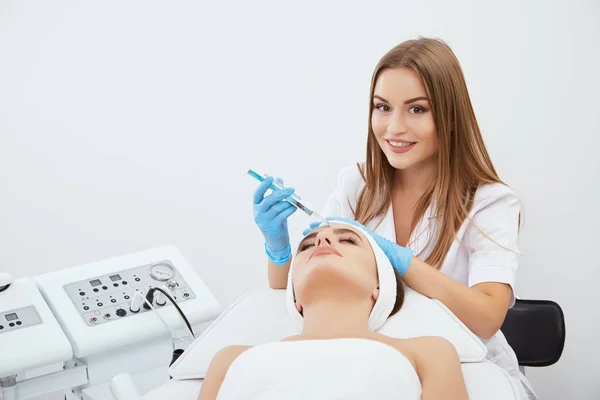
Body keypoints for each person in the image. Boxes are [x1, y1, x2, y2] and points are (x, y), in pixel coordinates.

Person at [252, 37, 535, 399]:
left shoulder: (490, 203)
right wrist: (278, 248)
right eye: (382, 107)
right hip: (370, 361)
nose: (394, 128)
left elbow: (486, 316)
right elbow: (299, 296)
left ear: (449, 117)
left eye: (417, 110)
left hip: (468, 366)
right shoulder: (356, 185)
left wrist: (400, 260)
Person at [198, 223, 468, 400]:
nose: (322, 239)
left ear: (380, 284)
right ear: (295, 298)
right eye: (305, 246)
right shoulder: (228, 359)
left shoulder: (430, 353)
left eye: (348, 240)